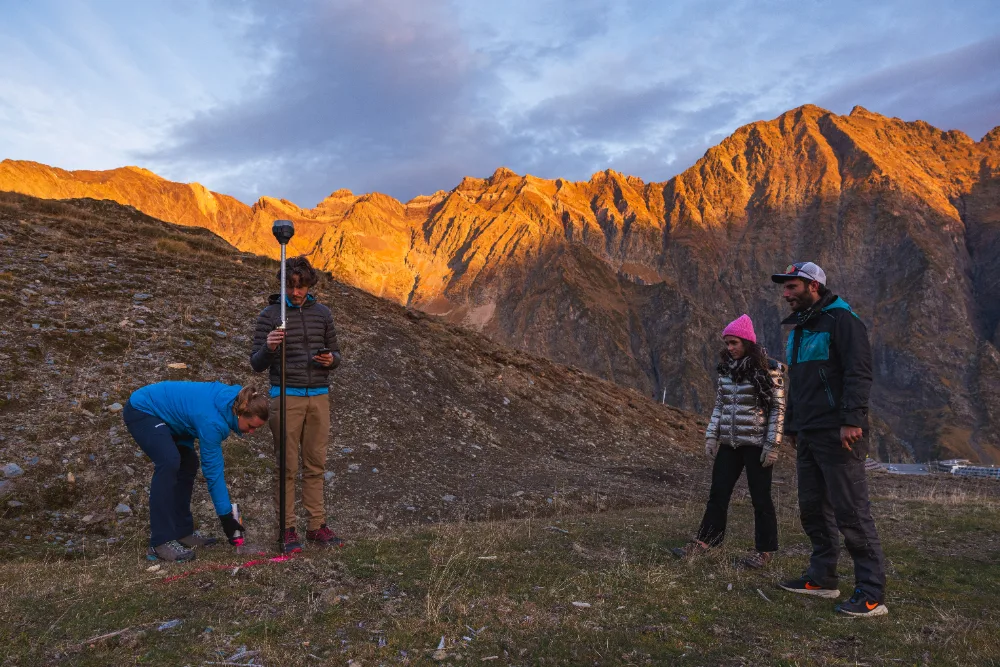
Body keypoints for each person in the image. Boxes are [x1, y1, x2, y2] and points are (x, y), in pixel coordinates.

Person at [771, 261, 887, 617]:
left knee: (851, 512)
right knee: (813, 508)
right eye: (785, 287)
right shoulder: (800, 330)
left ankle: (871, 593)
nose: (786, 294)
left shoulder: (843, 321)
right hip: (809, 431)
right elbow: (798, 382)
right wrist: (793, 426)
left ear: (813, 286)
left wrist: (852, 420)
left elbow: (858, 372)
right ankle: (822, 578)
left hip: (839, 433)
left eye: (792, 287)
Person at [672, 314, 786, 569]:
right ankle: (707, 541)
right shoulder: (726, 371)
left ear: (747, 342)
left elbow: (778, 409)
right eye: (727, 343)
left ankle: (764, 550)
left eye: (734, 342)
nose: (730, 347)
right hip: (730, 442)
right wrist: (711, 436)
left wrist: (773, 445)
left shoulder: (769, 370)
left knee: (761, 498)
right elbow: (720, 405)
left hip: (756, 443)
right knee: (718, 492)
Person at [251, 256, 343, 553]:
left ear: (310, 284)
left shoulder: (323, 314)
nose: (296, 292)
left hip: (318, 395)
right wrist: (269, 347)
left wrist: (330, 360)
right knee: (286, 466)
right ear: (282, 285)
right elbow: (256, 363)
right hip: (285, 396)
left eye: (301, 286)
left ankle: (316, 526)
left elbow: (337, 355)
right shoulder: (269, 315)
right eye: (290, 286)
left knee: (315, 463)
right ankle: (287, 530)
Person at [123, 381, 268, 562]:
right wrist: (226, 517)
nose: (252, 432)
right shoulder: (213, 422)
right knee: (169, 462)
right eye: (251, 426)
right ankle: (160, 542)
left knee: (188, 463)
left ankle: (182, 531)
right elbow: (213, 473)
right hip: (144, 409)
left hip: (174, 419)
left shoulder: (235, 401)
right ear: (240, 413)